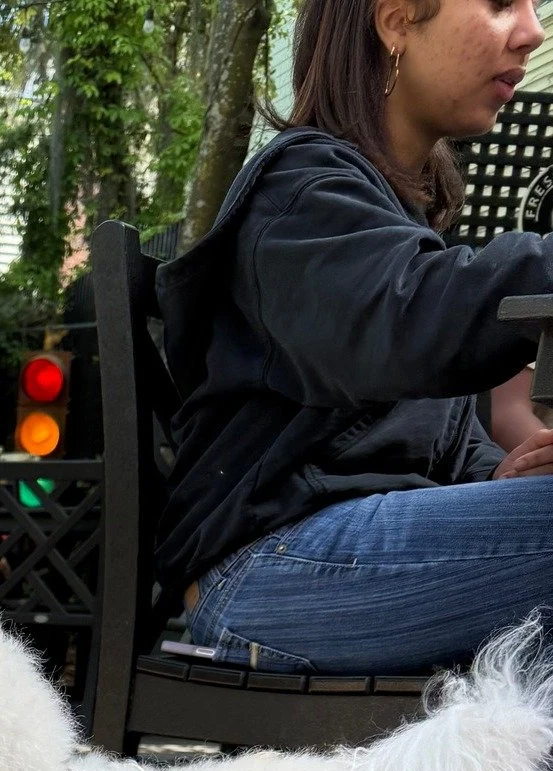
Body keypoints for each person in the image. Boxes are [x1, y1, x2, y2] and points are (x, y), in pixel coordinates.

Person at [157, 0, 553, 681]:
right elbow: (404, 325)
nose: (531, 30)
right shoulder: (298, 194)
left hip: (329, 555)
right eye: (497, 3)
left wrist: (497, 474)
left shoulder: (391, 215)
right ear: (396, 21)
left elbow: (421, 434)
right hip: (265, 575)